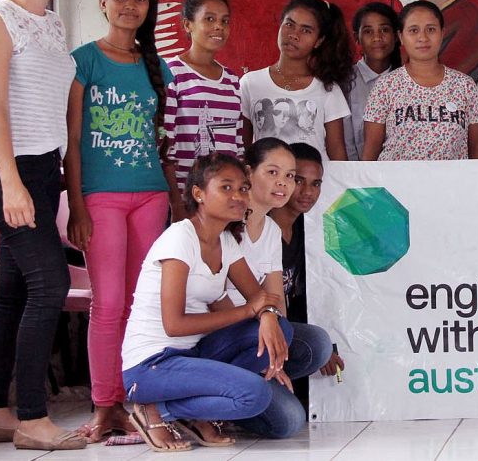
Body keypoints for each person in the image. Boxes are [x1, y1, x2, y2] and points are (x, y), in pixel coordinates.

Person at [0, 0, 84, 451]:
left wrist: (51, 173)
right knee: (51, 286)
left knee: (16, 293)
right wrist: (11, 182)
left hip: (43, 170)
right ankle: (32, 418)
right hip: (5, 170)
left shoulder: (53, 24)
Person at [63, 0, 174, 443]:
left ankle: (136, 399)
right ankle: (104, 404)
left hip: (151, 195)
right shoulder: (83, 60)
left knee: (140, 303)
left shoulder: (158, 67)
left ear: (150, 8)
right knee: (107, 303)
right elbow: (71, 140)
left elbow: (163, 139)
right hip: (100, 197)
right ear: (103, 2)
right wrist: (79, 207)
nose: (131, 6)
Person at [120, 152, 292, 452]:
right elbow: (173, 326)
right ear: (198, 194)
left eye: (243, 188)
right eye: (226, 188)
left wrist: (265, 314)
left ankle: (193, 410)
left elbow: (260, 298)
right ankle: (156, 409)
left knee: (283, 329)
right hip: (153, 364)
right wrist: (251, 310)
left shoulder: (225, 241)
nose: (238, 196)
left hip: (195, 353)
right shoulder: (180, 238)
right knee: (254, 395)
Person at [209, 138, 334, 438]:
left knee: (316, 342)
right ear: (249, 173)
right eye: (273, 173)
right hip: (216, 335)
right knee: (288, 419)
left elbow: (276, 299)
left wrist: (276, 354)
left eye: (289, 176)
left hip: (256, 337)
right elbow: (214, 297)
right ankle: (212, 396)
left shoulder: (271, 230)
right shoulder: (226, 221)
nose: (284, 183)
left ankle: (254, 381)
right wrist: (269, 330)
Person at [362, 0, 478, 160]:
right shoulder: (386, 86)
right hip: (397, 183)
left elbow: (477, 148)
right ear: (401, 36)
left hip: (453, 183)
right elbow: (370, 151)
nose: (423, 37)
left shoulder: (464, 85)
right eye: (413, 30)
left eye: (431, 29)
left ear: (442, 33)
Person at [269, 143, 343, 411]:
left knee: (293, 414)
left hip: (284, 331)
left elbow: (303, 297)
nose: (307, 192)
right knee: (286, 419)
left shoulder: (307, 230)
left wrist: (319, 345)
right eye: (298, 180)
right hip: (256, 332)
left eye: (316, 183)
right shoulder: (260, 228)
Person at [163, 0, 243, 220]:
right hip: (187, 198)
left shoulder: (231, 80)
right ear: (188, 24)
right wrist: (176, 203)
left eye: (224, 21)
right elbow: (165, 146)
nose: (219, 26)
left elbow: (237, 145)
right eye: (209, 19)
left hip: (225, 200)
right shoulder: (171, 73)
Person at [241, 0, 352, 160]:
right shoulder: (250, 83)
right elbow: (243, 147)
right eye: (289, 24)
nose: (294, 35)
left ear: (319, 41)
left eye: (306, 30)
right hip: (266, 182)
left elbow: (337, 154)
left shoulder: (328, 88)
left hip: (313, 183)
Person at [344, 2, 401, 160]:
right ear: (357, 38)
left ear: (397, 36)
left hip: (400, 172)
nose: (377, 37)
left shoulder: (406, 82)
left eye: (384, 30)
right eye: (368, 31)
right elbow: (343, 140)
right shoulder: (345, 81)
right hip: (355, 174)